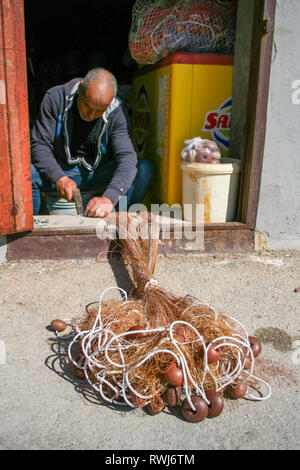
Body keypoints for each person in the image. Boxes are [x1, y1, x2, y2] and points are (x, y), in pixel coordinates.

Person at [30, 67, 153, 217]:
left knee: (143, 169)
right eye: (87, 106)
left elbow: (127, 157)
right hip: (63, 171)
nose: (91, 115)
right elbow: (40, 145)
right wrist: (58, 177)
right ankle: (41, 231)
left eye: (99, 111)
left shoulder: (116, 111)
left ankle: (117, 225)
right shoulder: (56, 97)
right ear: (81, 88)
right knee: (27, 175)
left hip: (96, 173)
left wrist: (109, 197)